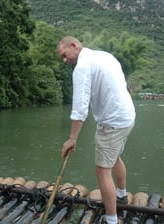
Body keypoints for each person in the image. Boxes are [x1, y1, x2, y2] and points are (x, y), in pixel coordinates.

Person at [57, 36, 136, 224]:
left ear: (74, 46)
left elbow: (79, 109)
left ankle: (111, 219)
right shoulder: (104, 56)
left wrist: (72, 139)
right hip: (127, 116)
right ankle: (122, 195)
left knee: (102, 170)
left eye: (65, 55)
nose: (64, 60)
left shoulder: (82, 67)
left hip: (113, 121)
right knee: (114, 156)